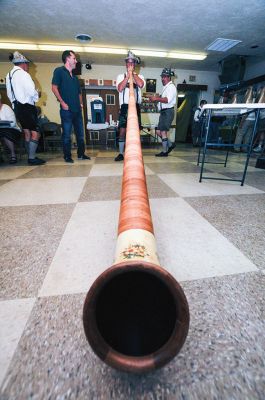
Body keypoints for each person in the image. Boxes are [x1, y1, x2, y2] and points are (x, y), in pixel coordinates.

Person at [6, 51, 46, 165]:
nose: (28, 67)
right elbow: (31, 91)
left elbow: (10, 95)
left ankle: (30, 156)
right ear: (23, 63)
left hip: (17, 107)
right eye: (27, 64)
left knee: (27, 132)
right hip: (27, 107)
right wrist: (37, 95)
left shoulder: (9, 75)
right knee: (35, 133)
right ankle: (32, 158)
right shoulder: (23, 74)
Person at [51, 50, 90, 163]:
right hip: (66, 110)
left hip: (77, 110)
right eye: (74, 58)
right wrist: (62, 103)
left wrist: (81, 103)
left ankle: (81, 154)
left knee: (80, 135)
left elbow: (79, 93)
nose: (76, 61)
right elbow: (54, 88)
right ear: (67, 59)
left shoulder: (75, 77)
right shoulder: (59, 71)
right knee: (67, 135)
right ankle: (67, 156)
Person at [115, 51, 145, 161]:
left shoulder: (140, 76)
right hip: (124, 107)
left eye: (132, 63)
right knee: (122, 130)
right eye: (128, 63)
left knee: (135, 131)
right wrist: (128, 75)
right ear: (125, 64)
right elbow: (119, 88)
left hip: (136, 107)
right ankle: (121, 153)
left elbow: (141, 84)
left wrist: (133, 74)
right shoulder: (120, 76)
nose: (130, 65)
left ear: (135, 64)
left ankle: (134, 153)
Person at [148, 68, 177, 157]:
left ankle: (164, 152)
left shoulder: (171, 87)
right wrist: (155, 100)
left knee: (163, 132)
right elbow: (163, 100)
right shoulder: (166, 87)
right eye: (162, 77)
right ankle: (170, 144)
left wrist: (156, 98)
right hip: (164, 112)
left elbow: (167, 100)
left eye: (164, 77)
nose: (162, 79)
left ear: (169, 78)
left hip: (168, 111)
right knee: (158, 132)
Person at [0, 93, 21, 164]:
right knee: (3, 132)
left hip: (13, 130)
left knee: (6, 133)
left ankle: (13, 155)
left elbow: (13, 123)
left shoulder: (6, 108)